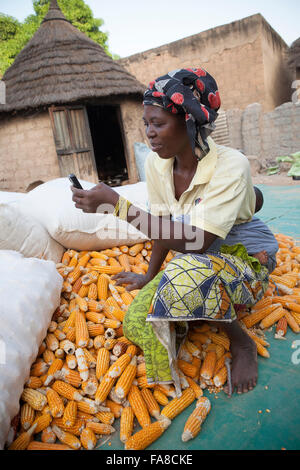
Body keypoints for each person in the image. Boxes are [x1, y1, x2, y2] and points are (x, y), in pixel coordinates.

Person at [71, 68, 270, 397]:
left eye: (159, 123)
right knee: (136, 322)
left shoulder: (232, 165)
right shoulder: (156, 164)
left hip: (245, 255)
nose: (149, 133)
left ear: (190, 122)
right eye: (146, 123)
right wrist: (149, 276)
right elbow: (163, 223)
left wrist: (118, 206)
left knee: (183, 272)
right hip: (198, 256)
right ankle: (190, 317)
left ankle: (241, 342)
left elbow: (197, 241)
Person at [208, 186, 279, 273]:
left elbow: (269, 253)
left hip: (244, 270)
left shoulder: (255, 226)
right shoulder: (215, 217)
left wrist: (253, 260)